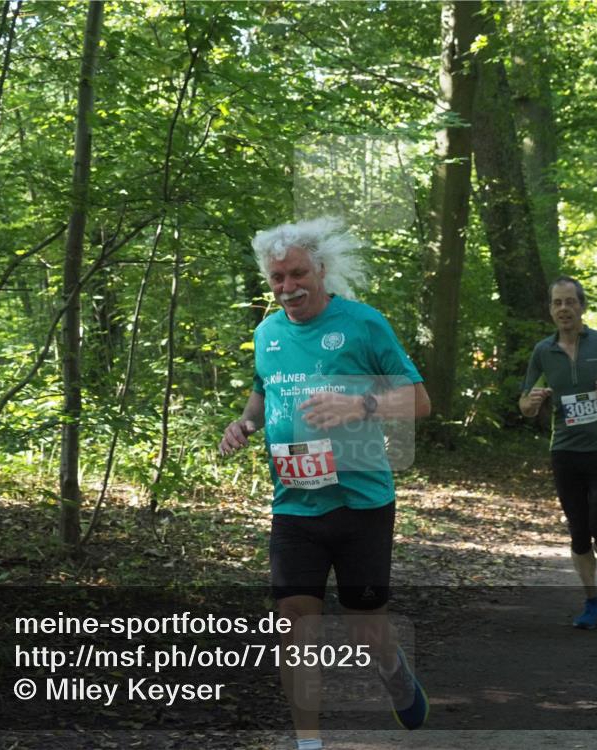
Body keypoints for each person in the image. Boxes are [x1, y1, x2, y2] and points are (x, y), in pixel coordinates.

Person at [219, 217, 431, 749]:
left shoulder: (363, 324)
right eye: (276, 278)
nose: (287, 287)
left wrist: (361, 403)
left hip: (362, 503)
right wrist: (245, 423)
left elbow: (420, 401)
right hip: (294, 506)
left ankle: (394, 673)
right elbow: (264, 394)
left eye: (296, 274)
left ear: (322, 270)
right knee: (294, 629)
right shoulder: (266, 333)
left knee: (365, 627)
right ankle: (308, 744)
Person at [519, 276, 597, 629]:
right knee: (578, 531)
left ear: (582, 306)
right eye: (557, 303)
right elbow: (524, 404)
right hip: (564, 452)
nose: (563, 309)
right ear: (551, 309)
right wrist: (533, 401)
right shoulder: (543, 351)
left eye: (570, 302)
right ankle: (590, 602)